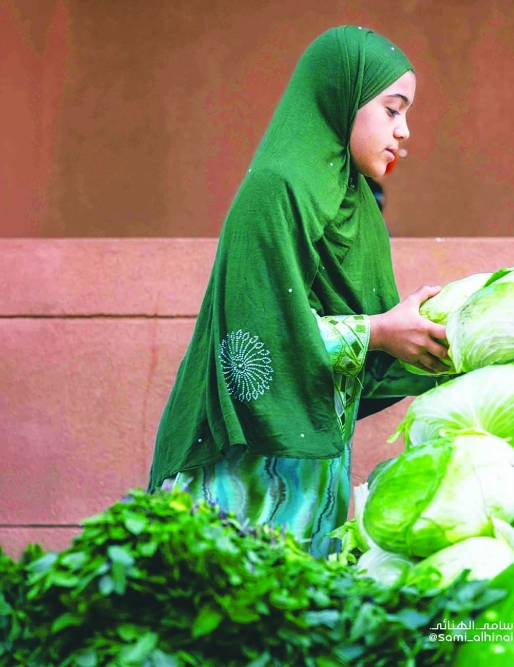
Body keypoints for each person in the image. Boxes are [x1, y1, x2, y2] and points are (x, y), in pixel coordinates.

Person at [147, 26, 448, 558]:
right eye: (392, 110)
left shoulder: (355, 205)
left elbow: (373, 344)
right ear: (342, 97)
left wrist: (443, 346)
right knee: (230, 616)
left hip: (316, 471)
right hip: (243, 476)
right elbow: (255, 332)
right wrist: (379, 332)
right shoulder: (278, 188)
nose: (404, 132)